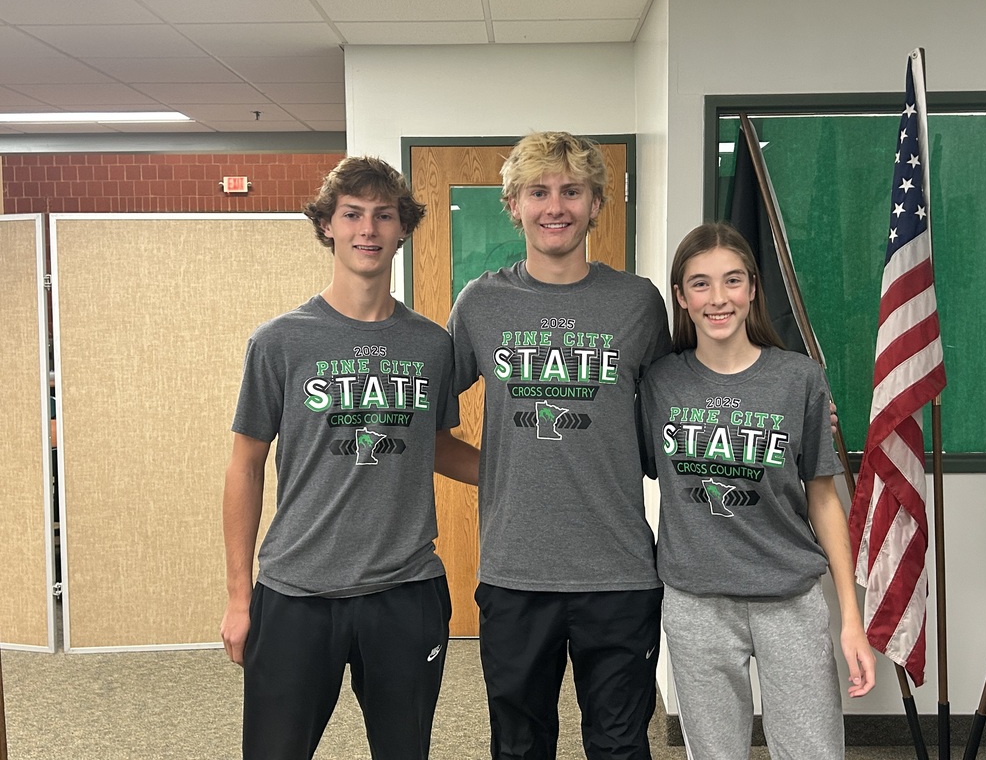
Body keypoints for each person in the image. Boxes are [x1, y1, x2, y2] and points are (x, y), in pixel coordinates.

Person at [219, 156, 477, 760]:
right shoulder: (279, 341)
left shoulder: (430, 344)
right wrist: (238, 597)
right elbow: (246, 465)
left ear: (402, 230)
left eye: (383, 216)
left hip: (405, 591)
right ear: (327, 226)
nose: (368, 229)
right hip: (296, 593)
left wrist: (515, 473)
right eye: (352, 215)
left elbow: (431, 443)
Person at [447, 131, 672, 759]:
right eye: (538, 192)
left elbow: (671, 421)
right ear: (513, 205)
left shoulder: (639, 304)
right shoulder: (482, 303)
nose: (555, 206)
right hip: (516, 572)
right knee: (520, 747)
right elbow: (427, 429)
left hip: (620, 572)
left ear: (597, 203)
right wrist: (499, 470)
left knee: (622, 746)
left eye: (571, 191)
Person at [639, 222, 875, 760]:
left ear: (752, 289)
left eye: (732, 281)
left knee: (812, 752)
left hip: (789, 600)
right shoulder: (659, 384)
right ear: (681, 295)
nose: (718, 299)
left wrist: (851, 621)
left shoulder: (801, 380)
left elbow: (824, 500)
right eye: (700, 284)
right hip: (696, 602)